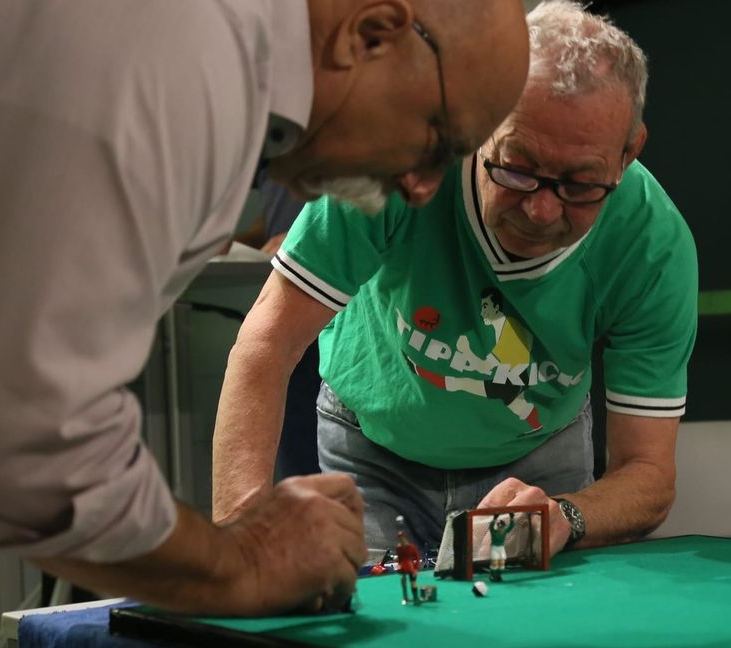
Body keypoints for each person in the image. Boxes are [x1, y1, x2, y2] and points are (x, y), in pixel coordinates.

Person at [0, 0, 530, 616]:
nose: (421, 189)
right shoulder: (176, 41)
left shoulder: (211, 59)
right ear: (371, 35)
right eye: (438, 140)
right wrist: (242, 563)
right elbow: (21, 444)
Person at [212, 0, 696, 560]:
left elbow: (648, 474)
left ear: (628, 151)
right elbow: (266, 345)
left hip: (539, 458)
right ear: (484, 117)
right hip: (371, 443)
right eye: (517, 168)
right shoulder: (401, 160)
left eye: (581, 184)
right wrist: (239, 544)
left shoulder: (653, 246)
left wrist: (565, 514)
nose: (541, 211)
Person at [488, 514, 515, 582]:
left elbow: (511, 526)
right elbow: (491, 526)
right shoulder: (494, 531)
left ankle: (498, 575)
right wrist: (494, 518)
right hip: (494, 548)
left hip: (501, 548)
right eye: (498, 525)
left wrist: (512, 518)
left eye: (501, 525)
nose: (500, 526)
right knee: (494, 562)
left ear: (504, 526)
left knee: (501, 563)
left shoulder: (504, 531)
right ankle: (492, 575)